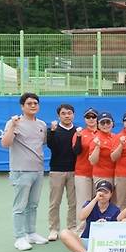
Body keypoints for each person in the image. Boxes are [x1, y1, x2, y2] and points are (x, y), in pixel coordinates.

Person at [2, 92, 49, 251]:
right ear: (22, 106)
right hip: (21, 171)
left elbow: (40, 145)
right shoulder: (14, 122)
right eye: (29, 103)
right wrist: (13, 127)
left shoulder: (41, 124)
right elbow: (5, 143)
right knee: (20, 206)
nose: (33, 106)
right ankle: (20, 237)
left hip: (38, 171)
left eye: (35, 103)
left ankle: (31, 233)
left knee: (33, 205)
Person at [59, 180, 120, 252]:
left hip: (103, 243)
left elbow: (115, 232)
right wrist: (95, 199)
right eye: (100, 191)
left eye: (106, 192)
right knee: (64, 233)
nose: (102, 194)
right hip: (86, 240)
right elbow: (81, 217)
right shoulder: (90, 204)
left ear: (111, 194)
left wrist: (105, 225)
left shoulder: (115, 210)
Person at [46, 103, 77, 241]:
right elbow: (51, 146)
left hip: (74, 171)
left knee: (73, 202)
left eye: (69, 113)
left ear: (73, 115)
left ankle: (72, 227)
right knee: (54, 202)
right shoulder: (53, 130)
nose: (67, 116)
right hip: (57, 171)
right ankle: (53, 229)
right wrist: (52, 131)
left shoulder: (78, 131)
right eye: (63, 113)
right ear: (59, 115)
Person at [72, 107, 99, 235]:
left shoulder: (103, 133)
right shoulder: (80, 133)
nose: (91, 119)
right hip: (83, 173)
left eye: (93, 116)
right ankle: (81, 231)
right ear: (84, 119)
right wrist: (78, 137)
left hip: (100, 173)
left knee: (99, 201)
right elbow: (76, 151)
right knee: (84, 202)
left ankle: (97, 230)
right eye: (88, 117)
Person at [88, 111, 116, 187]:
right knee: (103, 198)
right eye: (102, 123)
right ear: (98, 125)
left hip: (115, 176)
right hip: (102, 176)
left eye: (108, 122)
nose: (106, 125)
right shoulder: (96, 139)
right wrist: (97, 147)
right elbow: (92, 161)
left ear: (112, 123)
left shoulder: (115, 137)